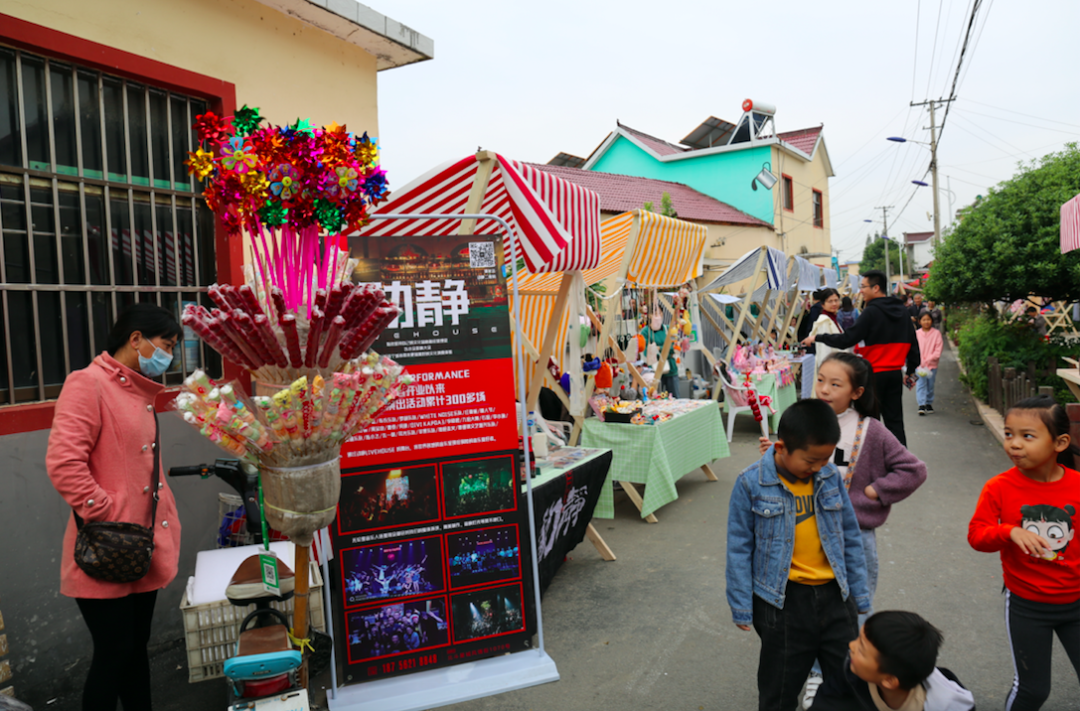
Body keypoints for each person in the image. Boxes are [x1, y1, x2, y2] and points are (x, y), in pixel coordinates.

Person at [760, 353, 927, 707]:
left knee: (850, 610)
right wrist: (774, 457)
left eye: (835, 384)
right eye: (820, 380)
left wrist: (875, 492)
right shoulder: (803, 421)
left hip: (852, 539)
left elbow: (913, 470)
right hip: (803, 535)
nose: (823, 389)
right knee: (806, 608)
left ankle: (841, 678)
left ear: (856, 391)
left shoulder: (870, 430)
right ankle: (818, 672)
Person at [45, 303, 183, 711]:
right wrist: (105, 512)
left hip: (139, 546)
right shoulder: (87, 383)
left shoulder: (135, 388)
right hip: (106, 545)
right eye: (166, 344)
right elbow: (65, 462)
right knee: (114, 652)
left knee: (135, 649)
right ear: (135, 338)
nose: (169, 355)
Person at [727, 399, 870, 711]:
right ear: (781, 447)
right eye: (811, 460)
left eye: (825, 459)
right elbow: (739, 547)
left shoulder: (829, 476)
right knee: (779, 689)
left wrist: (860, 593)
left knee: (849, 684)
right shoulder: (751, 483)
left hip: (835, 597)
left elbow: (850, 536)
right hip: (783, 604)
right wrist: (741, 605)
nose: (818, 467)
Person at [968, 395, 1080, 710]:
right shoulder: (999, 487)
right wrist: (1009, 531)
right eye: (1008, 434)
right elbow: (977, 536)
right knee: (1033, 691)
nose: (1014, 444)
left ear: (1060, 443)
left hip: (1077, 604)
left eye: (1027, 436)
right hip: (1027, 606)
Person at [803, 270, 920, 446]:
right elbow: (913, 344)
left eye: (863, 287)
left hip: (873, 375)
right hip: (894, 373)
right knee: (895, 422)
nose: (861, 291)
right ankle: (901, 462)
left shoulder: (871, 312)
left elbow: (847, 339)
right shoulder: (903, 312)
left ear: (876, 287)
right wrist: (911, 370)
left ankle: (870, 461)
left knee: (870, 422)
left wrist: (817, 337)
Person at [811, 611, 975, 710]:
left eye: (861, 649)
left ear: (889, 680)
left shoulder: (949, 704)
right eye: (858, 639)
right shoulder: (848, 677)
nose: (851, 646)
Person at [807, 289, 847, 395]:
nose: (834, 304)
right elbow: (824, 350)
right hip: (831, 370)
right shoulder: (824, 322)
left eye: (836, 300)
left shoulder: (832, 319)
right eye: (830, 301)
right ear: (823, 304)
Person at [640, 309, 677, 397]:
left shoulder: (667, 329)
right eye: (654, 313)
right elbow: (647, 352)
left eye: (660, 313)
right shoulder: (645, 331)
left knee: (674, 397)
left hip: (671, 368)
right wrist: (665, 348)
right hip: (654, 370)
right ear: (649, 315)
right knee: (654, 397)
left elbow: (674, 347)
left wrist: (658, 348)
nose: (658, 316)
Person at [915, 313, 943, 415]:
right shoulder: (916, 334)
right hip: (919, 365)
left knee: (930, 385)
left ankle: (929, 403)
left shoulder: (936, 334)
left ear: (932, 321)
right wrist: (918, 361)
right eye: (924, 320)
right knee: (921, 384)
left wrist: (928, 359)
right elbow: (914, 349)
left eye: (928, 319)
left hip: (932, 365)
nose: (926, 322)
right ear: (919, 322)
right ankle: (921, 404)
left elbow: (938, 350)